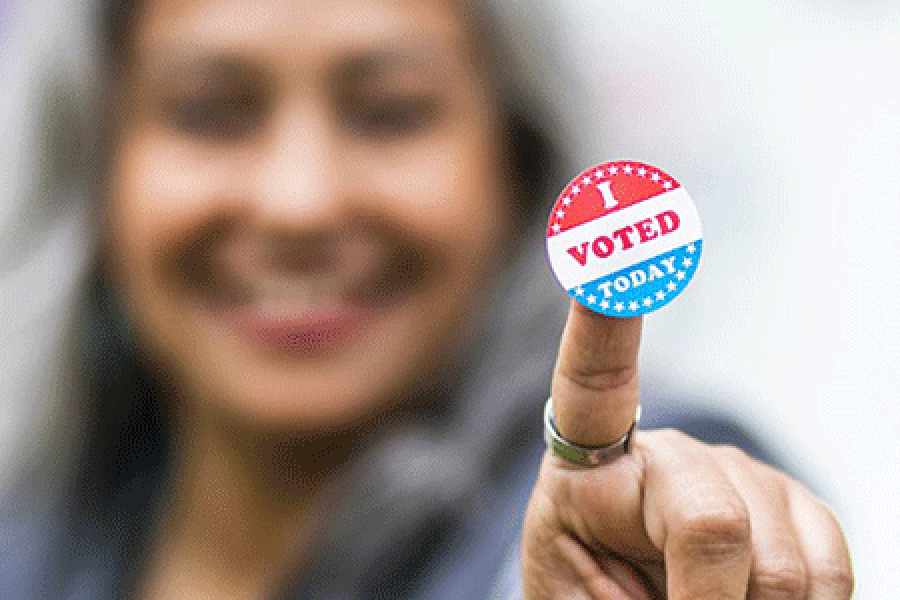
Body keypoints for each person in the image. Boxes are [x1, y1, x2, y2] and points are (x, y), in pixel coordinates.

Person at [0, 0, 852, 598]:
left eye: (390, 112)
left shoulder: (625, 509)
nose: (300, 201)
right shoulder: (36, 514)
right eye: (211, 113)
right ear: (92, 171)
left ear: (514, 167)